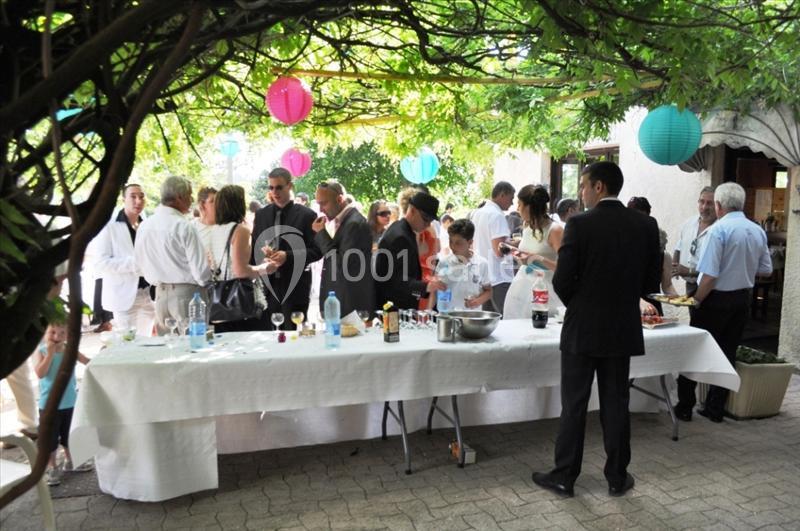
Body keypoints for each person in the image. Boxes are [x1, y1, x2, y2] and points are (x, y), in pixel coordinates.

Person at [532, 161, 661, 498]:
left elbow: (562, 279)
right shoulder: (645, 225)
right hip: (621, 326)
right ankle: (617, 476)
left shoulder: (580, 224)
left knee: (574, 403)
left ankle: (564, 475)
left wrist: (582, 304)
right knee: (616, 402)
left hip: (583, 327)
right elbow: (649, 281)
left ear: (599, 187)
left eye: (584, 185)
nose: (582, 192)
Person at [674, 182, 772, 423]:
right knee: (727, 352)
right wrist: (742, 269)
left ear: (718, 205)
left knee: (695, 351)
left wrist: (695, 300)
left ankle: (685, 406)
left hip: (714, 299)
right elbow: (766, 270)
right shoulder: (757, 230)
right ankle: (715, 408)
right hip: (742, 299)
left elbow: (709, 276)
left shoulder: (719, 231)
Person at [135, 176, 212, 334]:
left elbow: (139, 266)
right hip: (188, 294)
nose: (191, 199)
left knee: (167, 350)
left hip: (160, 295)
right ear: (179, 197)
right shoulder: (184, 226)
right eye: (189, 195)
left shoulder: (144, 226)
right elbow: (201, 274)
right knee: (193, 348)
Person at [251, 168, 322, 331]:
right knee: (267, 337)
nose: (274, 192)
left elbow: (317, 251)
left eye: (279, 187)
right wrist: (263, 256)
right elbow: (254, 248)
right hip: (267, 287)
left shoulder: (307, 215)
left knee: (293, 337)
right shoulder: (261, 215)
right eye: (271, 187)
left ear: (290, 186)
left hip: (295, 286)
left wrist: (288, 256)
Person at [32, 320, 92, 486]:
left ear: (68, 336)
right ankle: (52, 467)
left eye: (62, 333)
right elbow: (40, 373)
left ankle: (71, 461)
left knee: (70, 435)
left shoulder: (70, 350)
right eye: (52, 332)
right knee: (50, 439)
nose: (57, 337)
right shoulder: (42, 351)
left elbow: (86, 361)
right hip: (50, 405)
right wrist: (50, 355)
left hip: (70, 401)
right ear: (45, 332)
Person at [91, 183, 155, 337]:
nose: (138, 201)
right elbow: (100, 262)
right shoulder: (109, 226)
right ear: (123, 199)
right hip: (123, 296)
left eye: (141, 196)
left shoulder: (148, 225)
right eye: (133, 196)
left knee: (145, 342)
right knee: (128, 343)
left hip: (148, 295)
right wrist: (133, 264)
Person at [208, 185, 274, 332]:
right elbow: (240, 271)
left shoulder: (213, 231)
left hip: (221, 304)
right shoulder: (240, 230)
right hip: (241, 301)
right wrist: (265, 268)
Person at [311, 181, 375, 318]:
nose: (321, 209)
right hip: (344, 302)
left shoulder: (354, 224)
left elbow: (340, 264)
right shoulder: (345, 221)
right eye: (318, 204)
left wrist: (322, 234)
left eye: (324, 203)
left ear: (340, 199)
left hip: (350, 306)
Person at [375, 192, 446, 310]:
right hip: (394, 306)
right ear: (412, 210)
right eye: (425, 219)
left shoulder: (402, 229)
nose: (428, 224)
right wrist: (427, 286)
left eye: (431, 220)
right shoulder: (401, 237)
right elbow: (396, 280)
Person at [503, 185, 564, 318]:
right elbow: (530, 249)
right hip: (521, 289)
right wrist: (511, 248)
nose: (517, 209)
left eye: (519, 205)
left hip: (544, 292)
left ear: (529, 207)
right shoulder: (526, 226)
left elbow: (564, 268)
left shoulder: (555, 230)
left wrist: (537, 259)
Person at [626, 196, 678, 315]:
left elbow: (667, 285)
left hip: (652, 310)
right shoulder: (622, 247)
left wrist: (677, 298)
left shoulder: (662, 254)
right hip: (628, 308)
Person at [471, 182, 516, 312]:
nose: (512, 203)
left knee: (488, 320)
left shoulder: (478, 213)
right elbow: (499, 250)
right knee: (504, 317)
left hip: (482, 274)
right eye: (511, 198)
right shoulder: (497, 215)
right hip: (498, 276)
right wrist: (518, 243)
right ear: (502, 195)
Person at [434, 219, 492, 310]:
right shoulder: (444, 263)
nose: (452, 246)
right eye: (451, 241)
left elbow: (488, 291)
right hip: (449, 316)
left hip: (472, 317)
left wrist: (477, 301)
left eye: (458, 243)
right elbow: (435, 289)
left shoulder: (482, 264)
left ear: (470, 242)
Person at [673, 187, 716, 296]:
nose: (704, 207)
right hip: (690, 285)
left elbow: (715, 270)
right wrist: (675, 267)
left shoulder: (719, 230)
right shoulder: (688, 224)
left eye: (709, 203)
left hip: (712, 289)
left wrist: (689, 271)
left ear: (717, 205)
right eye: (702, 202)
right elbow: (678, 247)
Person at [192, 186, 217, 256]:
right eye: (212, 201)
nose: (218, 204)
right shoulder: (191, 227)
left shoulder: (226, 226)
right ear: (202, 205)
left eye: (219, 201)